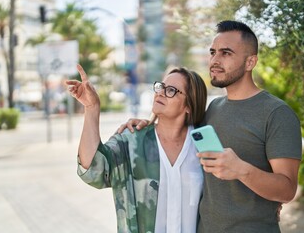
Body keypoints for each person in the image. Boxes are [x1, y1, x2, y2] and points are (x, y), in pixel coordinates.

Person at [118, 20, 302, 232]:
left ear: (250, 62)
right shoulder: (213, 109)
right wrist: (149, 122)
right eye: (213, 52)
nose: (215, 60)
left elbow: (287, 190)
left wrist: (242, 170)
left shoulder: (278, 114)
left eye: (226, 53)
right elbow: (177, 126)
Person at [66, 64, 207, 233]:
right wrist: (91, 108)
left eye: (171, 90)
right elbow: (92, 171)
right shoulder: (131, 140)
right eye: (160, 86)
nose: (160, 92)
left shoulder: (203, 146)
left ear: (189, 105)